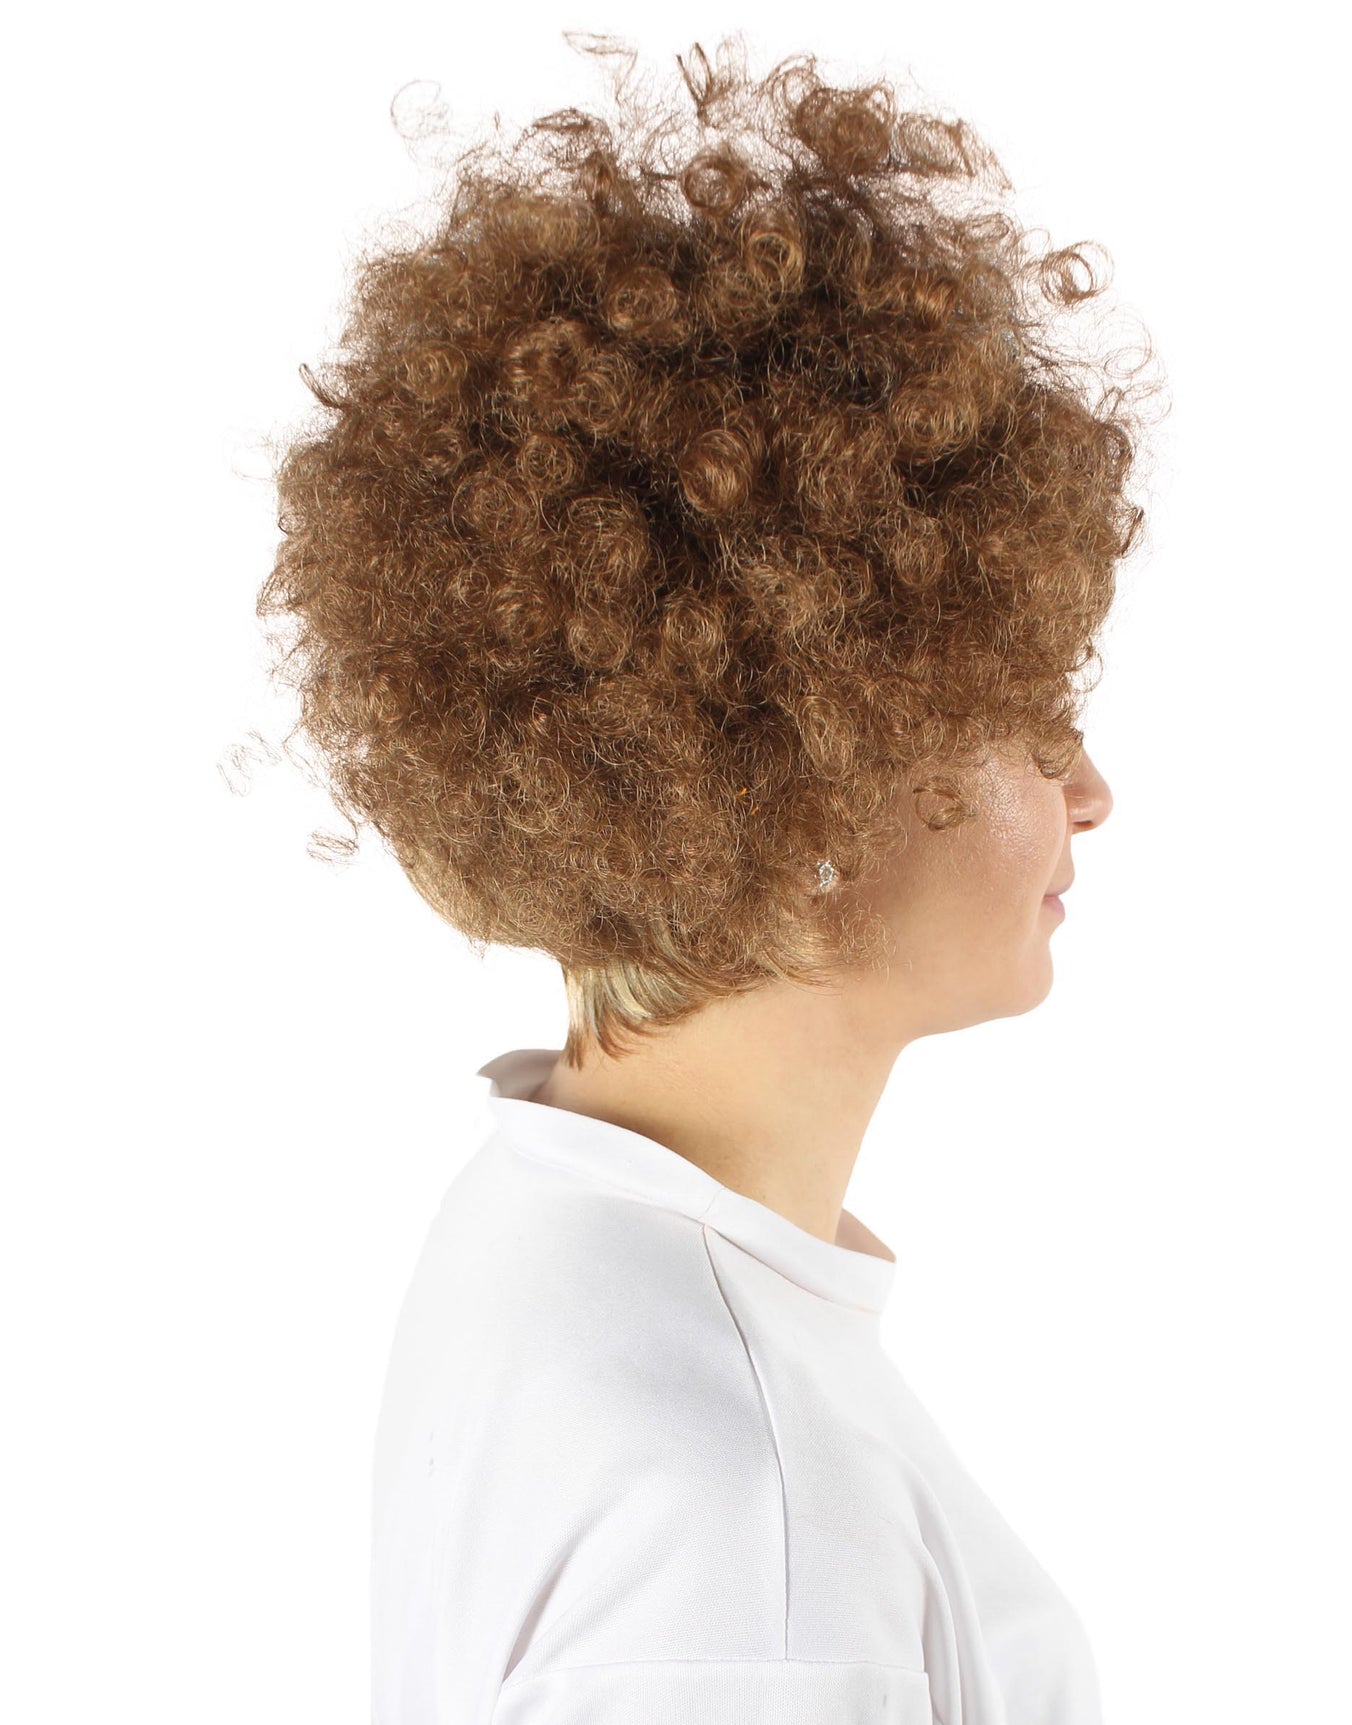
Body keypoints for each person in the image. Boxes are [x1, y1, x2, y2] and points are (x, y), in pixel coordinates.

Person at [256, 33, 1154, 1724]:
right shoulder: (749, 1539)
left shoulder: (553, 1211)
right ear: (812, 786)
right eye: (1031, 724)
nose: (1092, 796)